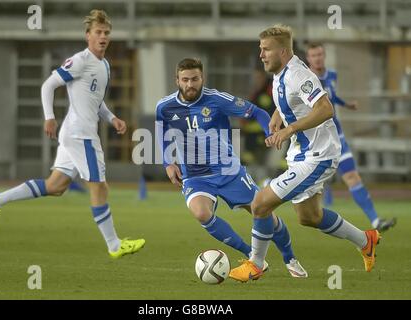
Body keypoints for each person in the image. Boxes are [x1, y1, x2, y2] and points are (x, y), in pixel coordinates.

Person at [0, 10, 145, 259]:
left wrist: (112, 118)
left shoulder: (104, 65)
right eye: (98, 32)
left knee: (55, 186)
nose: (103, 37)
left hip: (78, 133)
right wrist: (49, 116)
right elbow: (48, 84)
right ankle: (114, 245)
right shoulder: (80, 60)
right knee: (99, 186)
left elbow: (96, 101)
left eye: (106, 33)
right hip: (81, 135)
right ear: (87, 35)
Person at [229, 25, 381, 282]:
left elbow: (325, 108)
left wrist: (290, 130)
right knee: (310, 217)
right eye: (260, 49)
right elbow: (289, 100)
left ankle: (256, 263)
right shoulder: (280, 73)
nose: (261, 55)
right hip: (303, 154)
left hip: (318, 155)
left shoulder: (299, 74)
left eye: (266, 50)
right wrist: (278, 116)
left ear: (284, 51)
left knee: (260, 204)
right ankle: (366, 240)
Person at [155, 58, 308, 278]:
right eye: (185, 80)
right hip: (195, 176)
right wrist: (168, 163)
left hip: (229, 172)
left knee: (265, 214)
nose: (190, 84)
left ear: (202, 78)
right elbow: (161, 131)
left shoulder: (217, 100)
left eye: (195, 79)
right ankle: (253, 257)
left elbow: (257, 112)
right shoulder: (165, 106)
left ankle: (290, 258)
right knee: (201, 213)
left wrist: (270, 133)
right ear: (177, 80)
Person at [306, 42, 396, 232]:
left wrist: (346, 105)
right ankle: (270, 186)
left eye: (320, 54)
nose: (318, 58)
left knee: (352, 177)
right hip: (317, 139)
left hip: (336, 136)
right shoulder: (306, 80)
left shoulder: (331, 75)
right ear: (308, 59)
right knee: (312, 185)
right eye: (314, 55)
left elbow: (331, 96)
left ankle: (375, 221)